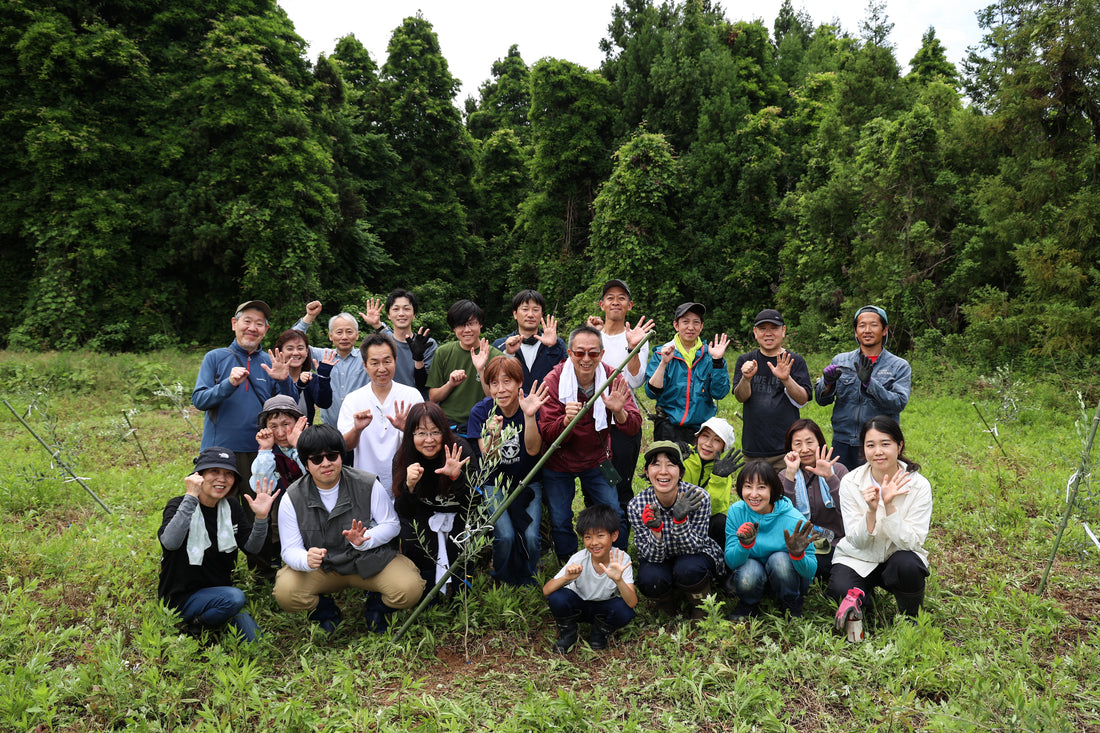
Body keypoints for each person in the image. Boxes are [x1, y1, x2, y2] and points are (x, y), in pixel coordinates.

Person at [273, 424, 424, 634]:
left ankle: (376, 607)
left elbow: (391, 524)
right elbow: (289, 549)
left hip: (368, 561)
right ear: (306, 464)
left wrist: (365, 539)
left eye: (332, 456)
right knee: (286, 592)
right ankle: (325, 612)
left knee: (409, 588)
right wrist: (306, 559)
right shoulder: (292, 497)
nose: (326, 463)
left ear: (341, 457)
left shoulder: (367, 483)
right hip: (323, 568)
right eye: (316, 459)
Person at [539, 326, 642, 560]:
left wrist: (619, 413)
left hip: (597, 459)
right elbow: (546, 432)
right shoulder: (553, 381)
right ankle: (569, 564)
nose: (586, 359)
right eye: (580, 353)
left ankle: (618, 560)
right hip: (559, 462)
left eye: (593, 353)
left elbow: (634, 425)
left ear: (602, 354)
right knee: (560, 518)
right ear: (569, 353)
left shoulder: (612, 377)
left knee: (613, 511)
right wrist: (565, 420)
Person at [158, 447, 279, 642]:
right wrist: (190, 498)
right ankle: (196, 626)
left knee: (255, 641)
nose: (222, 479)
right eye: (214, 471)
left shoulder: (231, 507)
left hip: (219, 592)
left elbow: (252, 548)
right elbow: (170, 543)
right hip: (182, 596)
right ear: (199, 476)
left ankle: (212, 618)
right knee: (235, 598)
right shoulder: (178, 504)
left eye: (228, 474)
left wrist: (261, 518)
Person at [828, 416, 931, 631]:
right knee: (839, 589)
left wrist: (890, 506)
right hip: (859, 557)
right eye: (870, 445)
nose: (878, 452)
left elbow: (913, 542)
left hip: (897, 555)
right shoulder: (850, 481)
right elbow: (855, 541)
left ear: (899, 445)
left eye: (885, 444)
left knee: (909, 565)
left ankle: (910, 614)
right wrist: (872, 512)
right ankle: (862, 597)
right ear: (863, 448)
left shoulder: (919, 485)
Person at [192, 300, 298, 481]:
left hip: (262, 450)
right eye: (247, 321)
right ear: (234, 324)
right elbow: (200, 400)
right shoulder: (215, 358)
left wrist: (284, 380)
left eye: (259, 324)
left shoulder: (270, 362)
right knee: (223, 507)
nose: (252, 328)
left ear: (266, 330)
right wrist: (229, 383)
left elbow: (291, 406)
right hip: (220, 450)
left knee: (259, 506)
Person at [468, 356, 550, 586]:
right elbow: (490, 461)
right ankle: (501, 576)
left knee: (533, 537)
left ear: (519, 383)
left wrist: (530, 416)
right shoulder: (480, 412)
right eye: (494, 383)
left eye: (507, 381)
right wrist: (493, 436)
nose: (501, 389)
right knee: (505, 535)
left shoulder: (529, 407)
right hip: (495, 482)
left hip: (527, 481)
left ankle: (528, 574)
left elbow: (534, 451)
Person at [585, 279, 655, 543]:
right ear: (602, 305)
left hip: (624, 423)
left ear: (630, 305)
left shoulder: (636, 337)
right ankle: (595, 540)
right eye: (610, 297)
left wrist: (633, 346)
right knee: (594, 484)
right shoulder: (591, 336)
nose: (616, 302)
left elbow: (636, 380)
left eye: (622, 297)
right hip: (594, 423)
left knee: (620, 484)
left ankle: (620, 544)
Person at [627, 441, 724, 619]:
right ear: (647, 473)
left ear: (681, 473)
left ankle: (700, 603)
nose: (663, 471)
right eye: (655, 464)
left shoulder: (699, 497)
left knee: (688, 568)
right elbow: (650, 556)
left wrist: (680, 521)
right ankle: (666, 603)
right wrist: (656, 532)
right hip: (660, 558)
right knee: (650, 577)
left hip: (693, 556)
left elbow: (696, 547)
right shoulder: (637, 505)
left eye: (671, 464)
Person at [391, 402, 480, 596]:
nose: (429, 440)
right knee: (414, 539)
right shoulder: (403, 456)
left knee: (463, 546)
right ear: (410, 435)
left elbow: (475, 503)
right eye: (421, 433)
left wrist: (457, 478)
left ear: (444, 431)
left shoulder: (460, 450)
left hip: (459, 512)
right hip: (425, 512)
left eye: (435, 432)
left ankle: (462, 593)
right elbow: (404, 511)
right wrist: (409, 487)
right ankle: (427, 592)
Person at [814, 305, 911, 469]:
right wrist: (827, 383)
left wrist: (870, 384)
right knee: (842, 489)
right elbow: (821, 400)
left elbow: (898, 402)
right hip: (842, 441)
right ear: (855, 331)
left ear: (885, 330)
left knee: (877, 490)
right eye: (862, 325)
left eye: (874, 325)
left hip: (879, 444)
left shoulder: (899, 366)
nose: (867, 330)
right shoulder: (841, 360)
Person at [723, 460, 817, 619]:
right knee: (749, 571)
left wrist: (797, 555)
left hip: (787, 578)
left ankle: (790, 605)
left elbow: (811, 571)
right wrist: (744, 545)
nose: (753, 494)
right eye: (748, 486)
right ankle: (748, 605)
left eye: (761, 487)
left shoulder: (793, 518)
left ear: (773, 489)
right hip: (752, 575)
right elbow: (731, 562)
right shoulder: (736, 512)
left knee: (779, 560)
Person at [542, 504, 637, 652]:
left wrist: (619, 580)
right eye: (588, 537)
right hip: (578, 604)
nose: (594, 543)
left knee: (624, 611)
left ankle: (599, 634)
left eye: (600, 535)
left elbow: (631, 603)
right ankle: (568, 634)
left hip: (604, 606)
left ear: (614, 535)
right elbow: (546, 591)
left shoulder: (621, 559)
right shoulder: (579, 558)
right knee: (557, 598)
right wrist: (566, 577)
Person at [337, 333, 423, 494]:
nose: (382, 369)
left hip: (405, 483)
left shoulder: (412, 396)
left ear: (395, 361)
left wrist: (407, 428)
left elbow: (427, 442)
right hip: (365, 483)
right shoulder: (353, 400)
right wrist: (357, 429)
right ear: (365, 365)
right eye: (374, 363)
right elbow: (345, 446)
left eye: (387, 361)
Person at [732, 309, 812, 471]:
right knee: (755, 494)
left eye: (774, 328)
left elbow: (803, 398)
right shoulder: (745, 360)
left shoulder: (794, 361)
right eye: (762, 329)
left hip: (786, 450)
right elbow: (741, 397)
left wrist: (786, 379)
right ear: (755, 332)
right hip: (753, 448)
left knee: (787, 494)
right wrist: (746, 378)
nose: (768, 333)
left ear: (783, 331)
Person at [645, 302, 731, 444]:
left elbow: (719, 393)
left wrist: (717, 361)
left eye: (696, 322)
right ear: (676, 325)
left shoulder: (710, 355)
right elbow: (651, 392)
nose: (691, 327)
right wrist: (663, 363)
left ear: (701, 326)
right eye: (685, 322)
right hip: (668, 426)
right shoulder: (662, 352)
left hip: (701, 430)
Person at [779, 418, 848, 584]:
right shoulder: (784, 475)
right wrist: (790, 475)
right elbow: (784, 516)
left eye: (810, 442)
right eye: (797, 444)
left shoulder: (838, 470)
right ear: (790, 449)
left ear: (820, 443)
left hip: (836, 544)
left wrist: (830, 478)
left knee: (830, 568)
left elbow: (849, 509)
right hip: (801, 544)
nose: (804, 449)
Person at [246, 395, 309, 579]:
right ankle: (274, 559)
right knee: (274, 512)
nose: (280, 433)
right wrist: (265, 450)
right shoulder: (269, 448)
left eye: (286, 424)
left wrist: (298, 446)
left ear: (298, 423)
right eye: (273, 426)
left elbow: (315, 476)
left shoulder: (311, 441)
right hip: (283, 500)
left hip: (311, 501)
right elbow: (260, 485)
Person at [426, 300, 503, 437]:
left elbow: (497, 398)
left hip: (484, 425)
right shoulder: (443, 353)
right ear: (454, 328)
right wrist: (450, 384)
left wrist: (481, 370)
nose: (467, 330)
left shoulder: (496, 356)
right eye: (461, 325)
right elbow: (433, 397)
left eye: (471, 323)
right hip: (450, 426)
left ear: (480, 324)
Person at [291, 301, 370, 428]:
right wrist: (309, 317)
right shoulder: (321, 356)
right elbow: (293, 338)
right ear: (330, 336)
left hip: (361, 428)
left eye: (349, 332)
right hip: (330, 430)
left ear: (357, 335)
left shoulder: (367, 357)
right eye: (339, 332)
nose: (344, 337)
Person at [358, 290, 437, 396]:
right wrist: (377, 324)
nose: (401, 313)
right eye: (396, 309)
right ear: (389, 315)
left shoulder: (427, 344)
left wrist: (419, 359)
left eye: (407, 309)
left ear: (414, 314)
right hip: (388, 402)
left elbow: (423, 385)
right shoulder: (384, 344)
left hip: (418, 406)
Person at [682, 416, 744, 547]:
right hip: (678, 518)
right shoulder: (684, 455)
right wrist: (674, 459)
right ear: (697, 437)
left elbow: (714, 509)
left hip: (704, 525)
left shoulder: (723, 472)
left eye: (716, 440)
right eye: (705, 436)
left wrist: (717, 478)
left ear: (723, 448)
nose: (708, 444)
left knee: (721, 521)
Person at [492, 289, 567, 391]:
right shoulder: (500, 345)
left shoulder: (557, 343)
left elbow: (565, 376)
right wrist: (509, 354)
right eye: (525, 309)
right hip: (513, 406)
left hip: (548, 405)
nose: (530, 315)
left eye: (536, 310)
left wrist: (552, 348)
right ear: (515, 314)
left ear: (541, 314)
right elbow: (495, 381)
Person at [272, 329, 336, 425]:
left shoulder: (310, 379)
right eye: (290, 349)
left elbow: (324, 403)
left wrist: (324, 378)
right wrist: (299, 385)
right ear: (280, 352)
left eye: (300, 348)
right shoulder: (271, 378)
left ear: (307, 352)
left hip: (304, 437)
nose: (295, 353)